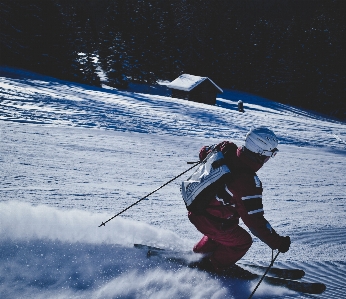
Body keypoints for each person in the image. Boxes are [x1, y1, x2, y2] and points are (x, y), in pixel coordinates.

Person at [188, 127, 291, 273]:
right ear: (260, 154)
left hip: (196, 208)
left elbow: (203, 151)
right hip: (211, 220)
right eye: (270, 154)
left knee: (225, 230)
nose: (269, 159)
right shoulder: (248, 182)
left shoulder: (227, 148)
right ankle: (213, 266)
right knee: (242, 241)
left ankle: (199, 255)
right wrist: (278, 242)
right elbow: (255, 222)